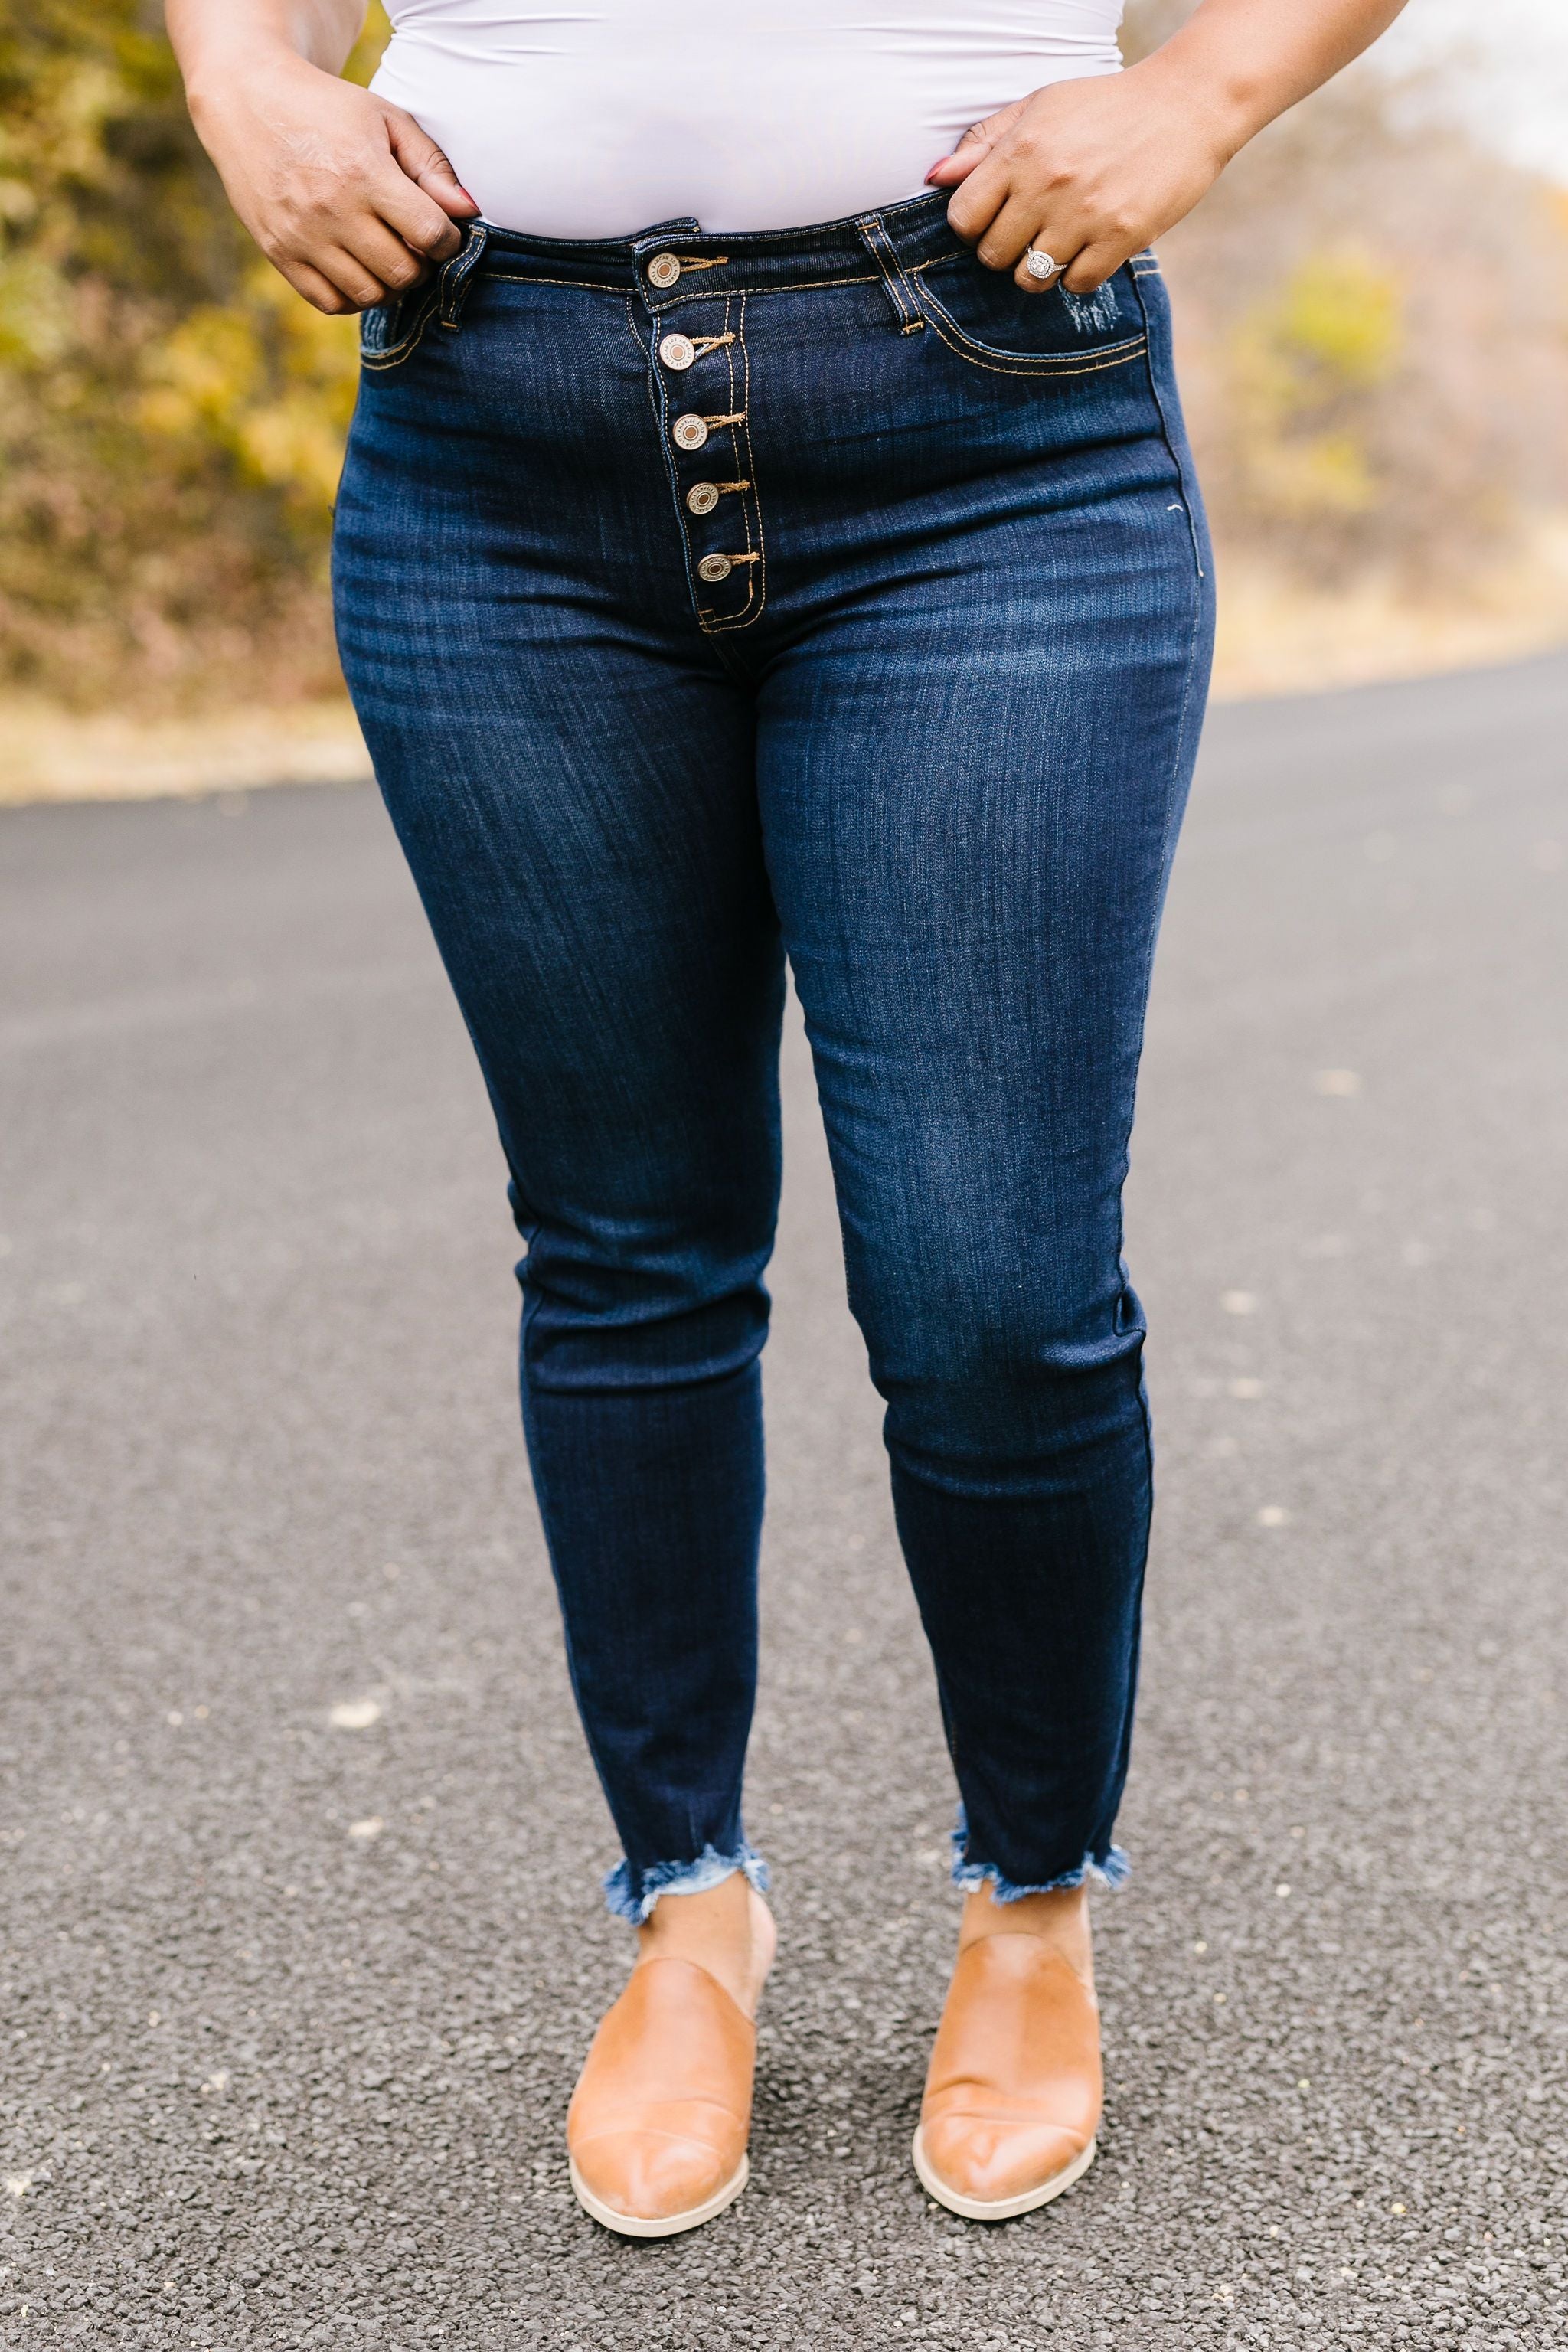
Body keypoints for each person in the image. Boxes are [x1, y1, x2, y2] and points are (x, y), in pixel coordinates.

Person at [170, 0, 1407, 2239]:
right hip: (489, 430)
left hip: (982, 430)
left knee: (993, 1294)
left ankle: (1032, 1903)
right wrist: (240, 78)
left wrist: (1204, 92)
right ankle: (688, 1908)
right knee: (629, 1246)